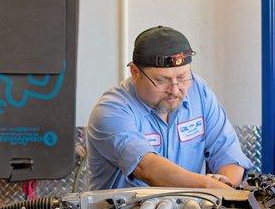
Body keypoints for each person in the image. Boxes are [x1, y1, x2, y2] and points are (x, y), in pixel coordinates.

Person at [86, 26, 252, 190]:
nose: (174, 89)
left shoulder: (199, 91)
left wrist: (226, 187)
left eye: (182, 77)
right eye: (162, 80)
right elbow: (147, 168)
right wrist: (209, 187)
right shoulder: (111, 111)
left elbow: (228, 154)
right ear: (135, 72)